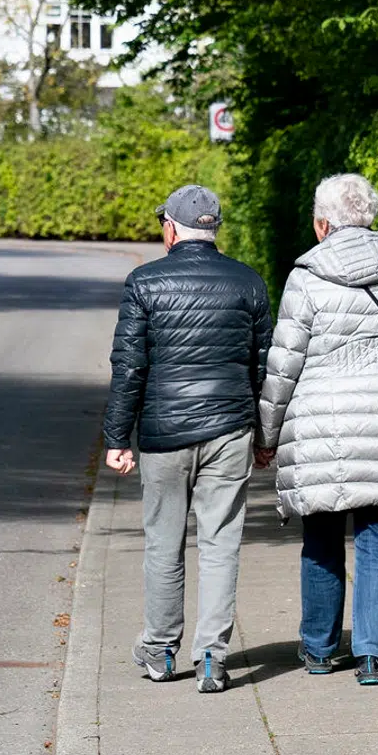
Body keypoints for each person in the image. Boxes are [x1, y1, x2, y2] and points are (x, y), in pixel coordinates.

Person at [256, 173, 378, 686]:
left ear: (322, 224)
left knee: (320, 530)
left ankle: (317, 649)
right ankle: (371, 656)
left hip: (322, 422)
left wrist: (266, 434)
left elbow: (283, 364)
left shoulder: (307, 275)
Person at [103, 184, 273, 694]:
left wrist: (117, 436)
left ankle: (159, 649)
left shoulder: (144, 283)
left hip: (163, 432)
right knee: (221, 544)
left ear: (171, 228)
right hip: (229, 429)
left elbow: (129, 366)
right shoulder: (248, 283)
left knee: (163, 542)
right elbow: (265, 367)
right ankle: (211, 658)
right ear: (213, 228)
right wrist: (265, 435)